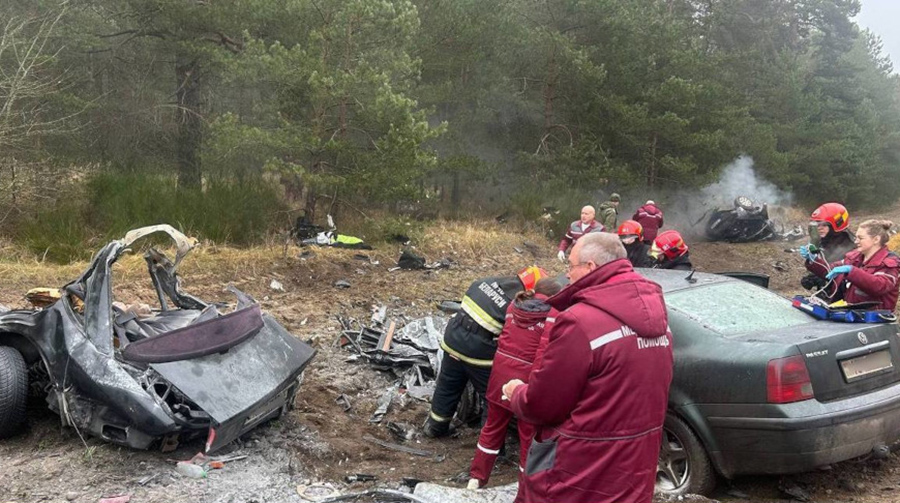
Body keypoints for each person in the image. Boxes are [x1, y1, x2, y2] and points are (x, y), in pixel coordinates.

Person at [503, 232, 673, 503]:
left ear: (591, 266)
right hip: (633, 472)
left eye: (570, 266)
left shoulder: (580, 323)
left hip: (578, 477)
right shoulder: (660, 321)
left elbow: (543, 405)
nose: (567, 275)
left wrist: (517, 393)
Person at [423, 266, 548, 438]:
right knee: (491, 397)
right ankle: (491, 443)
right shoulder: (517, 303)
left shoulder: (485, 282)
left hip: (452, 339)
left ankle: (435, 427)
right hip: (478, 351)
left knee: (448, 384)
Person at [467, 278, 562, 495]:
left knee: (491, 428)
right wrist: (534, 387)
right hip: (524, 382)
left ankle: (476, 479)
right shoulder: (552, 315)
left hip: (499, 376)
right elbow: (543, 354)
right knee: (528, 437)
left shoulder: (513, 306)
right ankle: (525, 487)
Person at [803, 219, 900, 310]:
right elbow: (828, 270)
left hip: (874, 321)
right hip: (849, 316)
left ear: (876, 239)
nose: (856, 241)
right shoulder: (854, 257)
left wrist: (852, 271)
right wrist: (813, 260)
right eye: (856, 237)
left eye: (860, 238)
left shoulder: (890, 262)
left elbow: (879, 286)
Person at [800, 202, 855, 292]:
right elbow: (823, 265)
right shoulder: (825, 240)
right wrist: (812, 273)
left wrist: (823, 279)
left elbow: (847, 278)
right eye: (817, 224)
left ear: (837, 224)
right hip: (826, 292)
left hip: (841, 297)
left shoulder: (850, 247)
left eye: (824, 224)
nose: (819, 228)